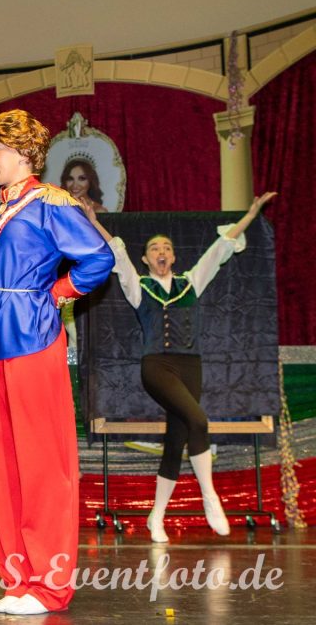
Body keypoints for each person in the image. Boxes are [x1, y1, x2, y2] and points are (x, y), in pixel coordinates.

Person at [0, 110, 114, 615]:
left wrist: (57, 292)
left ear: (24, 153)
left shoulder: (51, 202)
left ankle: (49, 585)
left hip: (31, 337)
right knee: (4, 466)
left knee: (42, 466)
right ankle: (18, 580)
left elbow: (99, 258)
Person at [82, 191, 276, 543]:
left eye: (167, 248)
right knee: (199, 420)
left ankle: (155, 517)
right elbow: (118, 254)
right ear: (146, 258)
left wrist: (250, 215)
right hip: (157, 366)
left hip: (191, 366)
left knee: (177, 440)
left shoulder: (191, 282)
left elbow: (219, 249)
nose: (161, 252)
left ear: (173, 257)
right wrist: (95, 223)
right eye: (155, 248)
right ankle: (210, 496)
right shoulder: (139, 287)